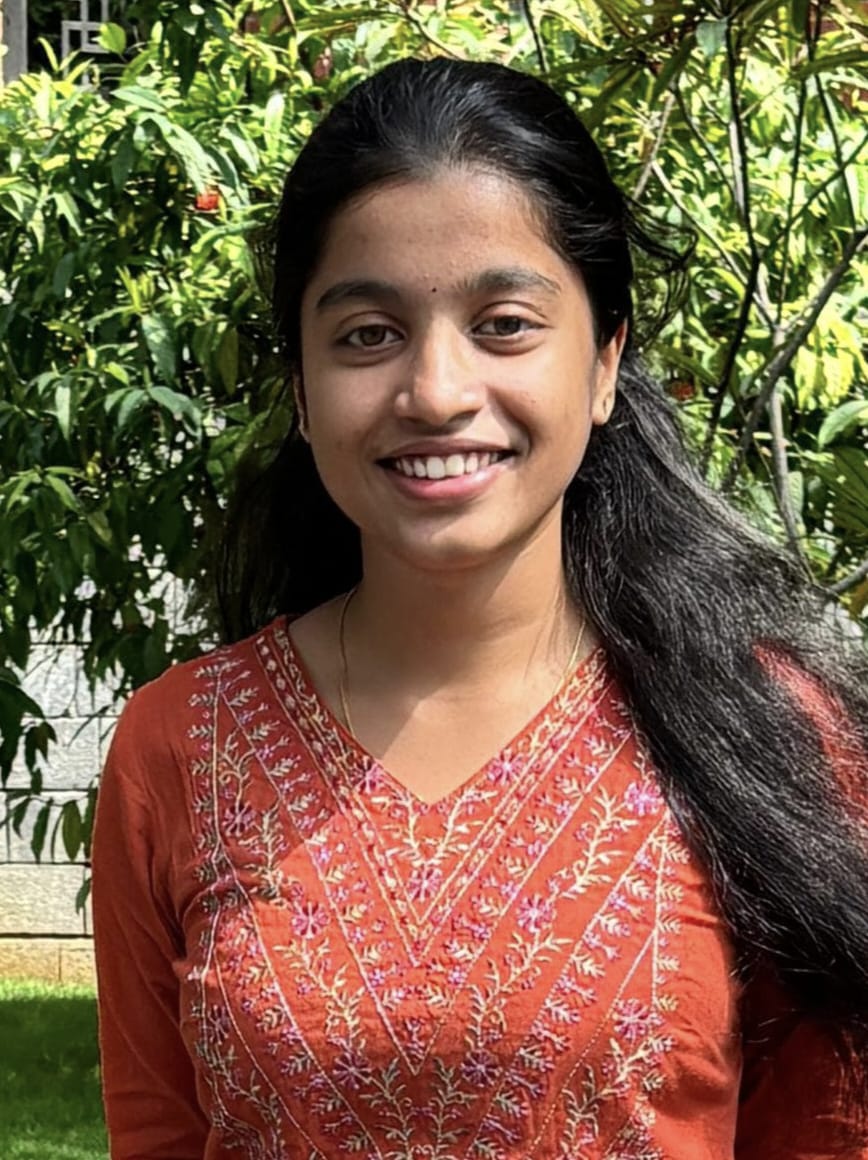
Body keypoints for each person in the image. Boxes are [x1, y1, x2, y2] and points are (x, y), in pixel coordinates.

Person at [92, 57, 868, 1159]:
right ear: (302, 390)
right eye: (368, 333)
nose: (437, 391)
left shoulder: (772, 737)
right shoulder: (180, 746)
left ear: (604, 363)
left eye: (503, 323)